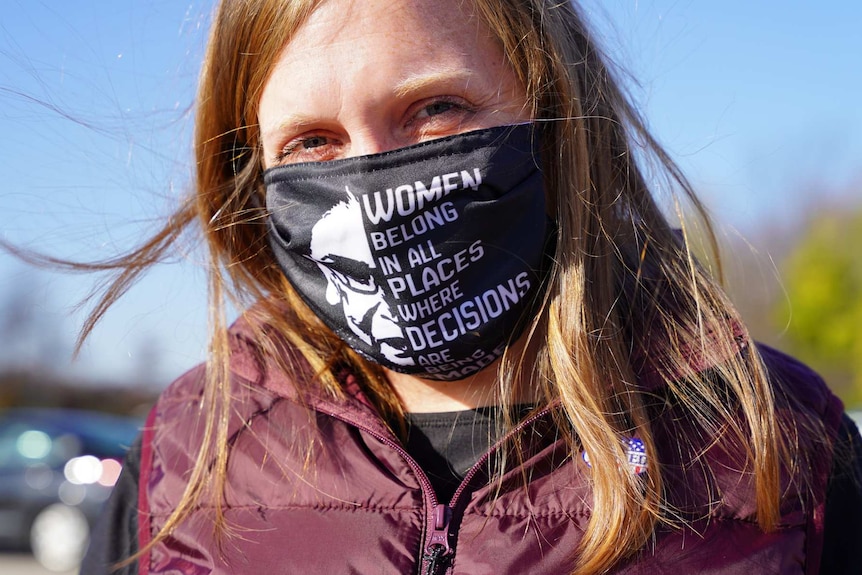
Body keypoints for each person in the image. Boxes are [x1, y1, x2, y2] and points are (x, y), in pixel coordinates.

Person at [77, 0, 862, 573]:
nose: (369, 177)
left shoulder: (778, 442)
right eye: (312, 141)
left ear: (555, 114)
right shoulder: (186, 454)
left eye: (436, 108)